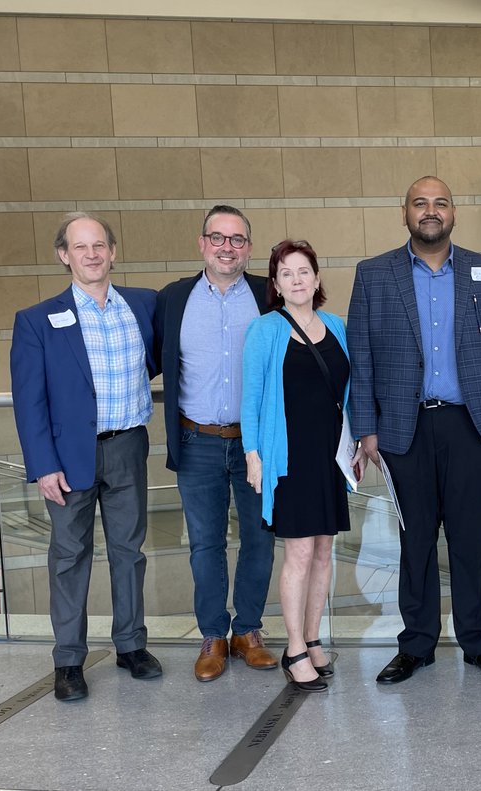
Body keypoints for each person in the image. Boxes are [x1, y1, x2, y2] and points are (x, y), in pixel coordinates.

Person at [348, 176, 481, 685]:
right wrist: (366, 428)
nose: (430, 211)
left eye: (440, 203)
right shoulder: (374, 274)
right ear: (405, 214)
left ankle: (478, 643)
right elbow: (362, 356)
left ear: (453, 213)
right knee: (414, 539)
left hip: (473, 426)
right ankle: (417, 645)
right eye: (420, 203)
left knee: (469, 538)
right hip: (403, 427)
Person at [10, 212, 162, 701]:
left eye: (99, 245)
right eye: (80, 247)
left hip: (127, 446)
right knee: (70, 557)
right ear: (64, 255)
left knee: (129, 551)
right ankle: (69, 661)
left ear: (113, 252)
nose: (91, 254)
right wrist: (43, 464)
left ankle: (131, 645)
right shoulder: (36, 320)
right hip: (67, 458)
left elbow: (156, 360)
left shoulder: (143, 305)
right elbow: (29, 399)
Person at [154, 205, 278, 682]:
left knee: (260, 541)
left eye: (238, 239)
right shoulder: (174, 299)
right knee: (204, 545)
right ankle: (212, 635)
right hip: (197, 440)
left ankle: (247, 631)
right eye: (218, 237)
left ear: (249, 248)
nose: (227, 246)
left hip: (257, 444)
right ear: (202, 244)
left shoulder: (269, 298)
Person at [242, 239, 363, 693]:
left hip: (329, 455)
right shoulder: (265, 329)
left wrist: (353, 446)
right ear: (276, 283)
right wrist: (253, 455)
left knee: (323, 551)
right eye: (286, 273)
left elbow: (347, 396)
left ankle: (312, 638)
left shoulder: (336, 326)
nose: (297, 279)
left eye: (304, 271)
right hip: (286, 457)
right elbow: (250, 398)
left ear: (317, 278)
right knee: (297, 553)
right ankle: (293, 649)